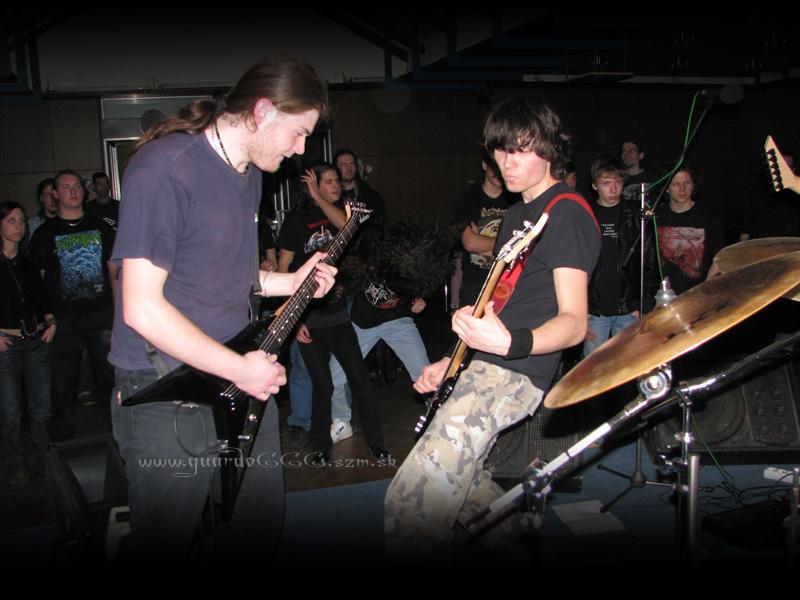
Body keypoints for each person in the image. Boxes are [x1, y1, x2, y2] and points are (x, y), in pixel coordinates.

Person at [108, 57, 336, 567]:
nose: (301, 149)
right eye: (299, 133)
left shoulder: (249, 172)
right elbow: (141, 306)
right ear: (262, 111)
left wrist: (292, 282)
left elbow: (230, 274)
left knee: (257, 528)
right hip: (165, 384)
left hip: (237, 374)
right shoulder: (167, 168)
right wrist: (240, 369)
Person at [384, 96, 601, 563]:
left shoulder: (566, 213)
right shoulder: (517, 217)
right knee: (469, 493)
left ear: (549, 148)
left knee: (412, 505)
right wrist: (451, 361)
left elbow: (574, 323)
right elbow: (494, 305)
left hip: (516, 371)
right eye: (500, 150)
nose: (507, 162)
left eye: (520, 150)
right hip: (482, 364)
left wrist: (510, 342)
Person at [278, 163, 388, 464]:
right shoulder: (296, 221)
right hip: (310, 321)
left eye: (335, 181)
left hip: (339, 318)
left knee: (361, 381)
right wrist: (295, 319)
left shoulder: (342, 214)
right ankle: (319, 448)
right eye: (327, 182)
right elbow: (283, 270)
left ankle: (376, 444)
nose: (335, 185)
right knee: (322, 386)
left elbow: (347, 227)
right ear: (312, 186)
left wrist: (319, 197)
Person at [28, 169, 117, 441]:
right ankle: (63, 440)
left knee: (108, 376)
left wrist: (119, 310)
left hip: (101, 315)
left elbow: (113, 271)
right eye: (66, 187)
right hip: (64, 318)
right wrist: (47, 316)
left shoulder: (101, 228)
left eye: (77, 186)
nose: (73, 191)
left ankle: (117, 434)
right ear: (55, 194)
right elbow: (37, 280)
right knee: (63, 381)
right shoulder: (44, 233)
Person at [0, 202, 56, 486]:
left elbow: (42, 296)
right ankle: (14, 462)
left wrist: (51, 322)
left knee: (42, 408)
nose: (19, 226)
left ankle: (43, 460)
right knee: (11, 412)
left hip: (36, 341)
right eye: (11, 220)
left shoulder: (27, 261)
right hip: (7, 344)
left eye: (21, 220)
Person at [584, 158, 658, 358]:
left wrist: (644, 302)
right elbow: (575, 265)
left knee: (629, 364)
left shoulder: (635, 214)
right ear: (595, 185)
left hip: (629, 308)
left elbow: (650, 260)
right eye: (606, 183)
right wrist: (580, 309)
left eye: (617, 182)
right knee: (594, 368)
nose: (613, 188)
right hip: (594, 310)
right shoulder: (585, 214)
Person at [454, 152, 520, 308]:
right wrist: (506, 245)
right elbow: (470, 243)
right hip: (475, 284)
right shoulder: (468, 197)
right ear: (484, 165)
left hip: (507, 282)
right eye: (494, 165)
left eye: (502, 165)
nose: (498, 171)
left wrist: (483, 243)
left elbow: (520, 247)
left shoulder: (516, 200)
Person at [655, 166, 725, 295]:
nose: (682, 188)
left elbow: (720, 257)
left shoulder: (708, 217)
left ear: (693, 186)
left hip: (699, 294)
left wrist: (706, 285)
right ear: (667, 188)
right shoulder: (656, 217)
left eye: (686, 183)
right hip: (665, 295)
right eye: (676, 184)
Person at [334, 148, 388, 226]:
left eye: (352, 164)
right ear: (335, 168)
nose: (349, 168)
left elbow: (382, 224)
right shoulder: (332, 197)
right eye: (344, 164)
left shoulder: (372, 196)